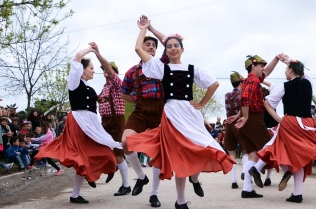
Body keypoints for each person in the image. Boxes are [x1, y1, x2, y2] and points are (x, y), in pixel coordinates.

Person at [127, 18, 235, 209]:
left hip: (190, 114)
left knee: (203, 148)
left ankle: (195, 178)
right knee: (181, 158)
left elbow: (214, 84)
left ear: (182, 49)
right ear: (166, 51)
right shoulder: (161, 68)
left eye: (176, 45)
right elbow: (138, 49)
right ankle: (181, 201)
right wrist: (145, 29)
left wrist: (202, 103)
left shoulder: (193, 69)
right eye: (169, 46)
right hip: (171, 115)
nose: (173, 48)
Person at [35, 45, 123, 204]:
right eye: (91, 68)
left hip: (90, 123)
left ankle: (83, 187)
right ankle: (82, 186)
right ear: (81, 70)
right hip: (79, 123)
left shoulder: (88, 87)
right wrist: (90, 49)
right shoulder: (74, 82)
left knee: (103, 149)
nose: (93, 71)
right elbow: (77, 56)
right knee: (83, 157)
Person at [250, 57, 316, 203]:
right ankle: (297, 192)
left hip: (291, 122)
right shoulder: (309, 83)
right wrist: (289, 60)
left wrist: (278, 119)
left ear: (291, 70)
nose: (285, 72)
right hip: (308, 123)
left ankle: (261, 167)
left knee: (278, 146)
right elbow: (303, 73)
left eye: (286, 69)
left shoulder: (284, 86)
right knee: (298, 155)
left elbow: (267, 103)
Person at [120, 17, 165, 207]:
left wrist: (151, 28)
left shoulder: (163, 64)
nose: (151, 48)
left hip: (161, 111)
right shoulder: (132, 71)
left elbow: (166, 41)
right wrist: (137, 99)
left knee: (158, 153)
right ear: (142, 47)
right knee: (125, 141)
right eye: (147, 45)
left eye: (153, 46)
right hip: (140, 111)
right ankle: (140, 176)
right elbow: (124, 94)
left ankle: (154, 194)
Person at [227, 54, 282, 199]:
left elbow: (244, 98)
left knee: (252, 155)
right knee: (270, 146)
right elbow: (245, 98)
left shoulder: (247, 80)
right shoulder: (253, 81)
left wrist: (276, 59)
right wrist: (244, 117)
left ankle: (247, 189)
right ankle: (256, 170)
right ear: (253, 66)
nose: (263, 68)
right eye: (261, 66)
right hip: (253, 119)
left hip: (246, 120)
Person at [90, 42, 129, 195]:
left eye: (108, 70)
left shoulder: (118, 83)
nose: (105, 72)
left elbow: (110, 71)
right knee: (99, 149)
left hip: (116, 121)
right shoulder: (104, 87)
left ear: (114, 72)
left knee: (118, 154)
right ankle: (110, 169)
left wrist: (98, 54)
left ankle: (126, 185)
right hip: (105, 121)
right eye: (104, 71)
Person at [224, 71, 246, 189]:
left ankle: (233, 181)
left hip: (228, 124)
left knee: (232, 153)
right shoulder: (243, 94)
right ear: (241, 82)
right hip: (239, 123)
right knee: (246, 150)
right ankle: (245, 172)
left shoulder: (227, 95)